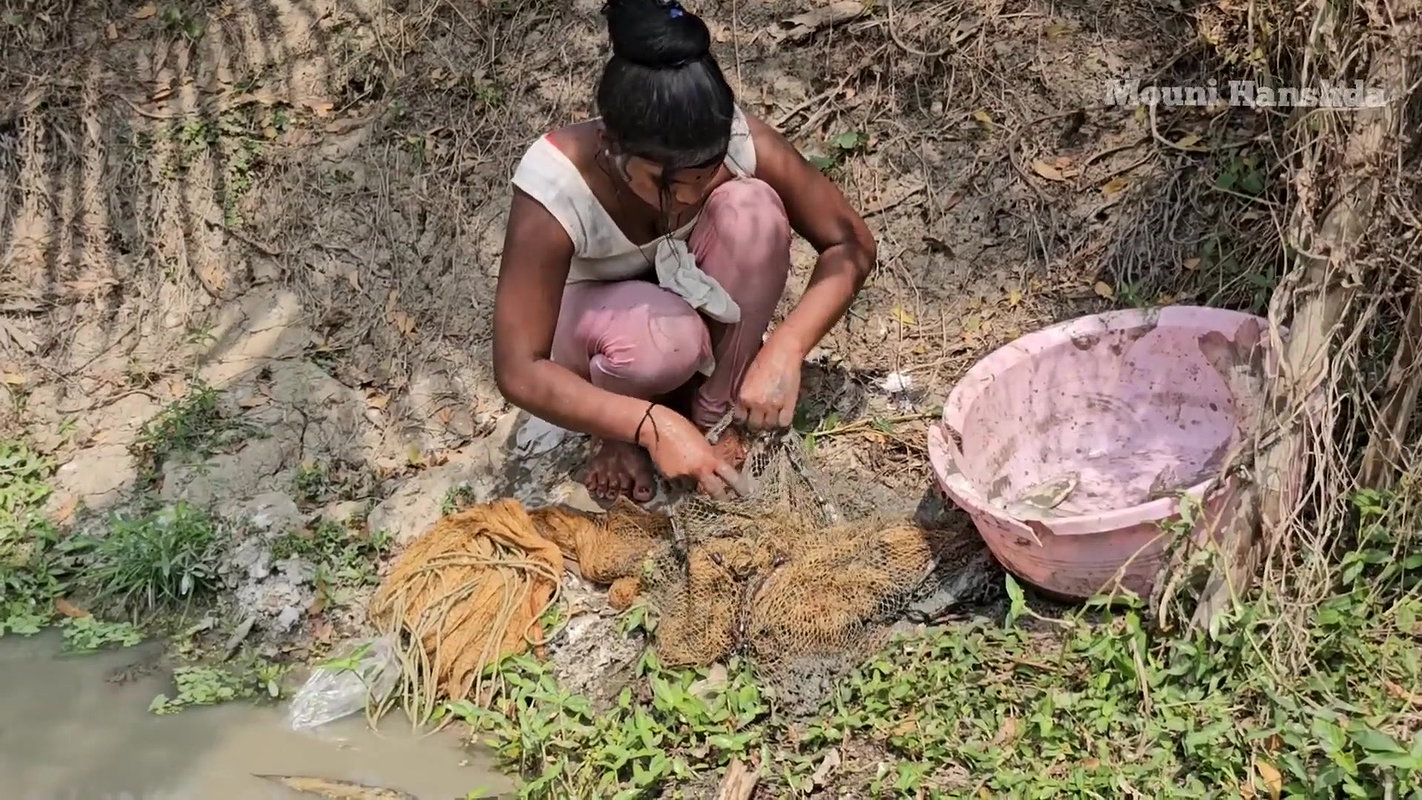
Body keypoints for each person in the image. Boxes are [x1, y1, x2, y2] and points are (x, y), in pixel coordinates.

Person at [492, 0, 876, 504]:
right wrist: (648, 426)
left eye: (706, 174)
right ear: (612, 146)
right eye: (668, 184)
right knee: (661, 337)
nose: (691, 197)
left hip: (688, 326)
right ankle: (616, 428)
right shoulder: (556, 184)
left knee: (753, 210)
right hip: (602, 342)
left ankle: (716, 414)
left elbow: (850, 243)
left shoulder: (735, 139)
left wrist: (786, 348)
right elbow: (519, 368)